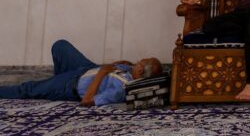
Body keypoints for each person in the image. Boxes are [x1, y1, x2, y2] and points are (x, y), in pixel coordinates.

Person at [0, 39, 162, 105]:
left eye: (144, 60)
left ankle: (53, 88)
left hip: (73, 85)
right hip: (86, 69)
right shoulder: (129, 70)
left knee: (27, 89)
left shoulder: (121, 89)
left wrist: (102, 72)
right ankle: (52, 86)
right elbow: (108, 69)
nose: (140, 59)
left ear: (141, 70)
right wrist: (118, 64)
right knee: (60, 46)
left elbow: (87, 101)